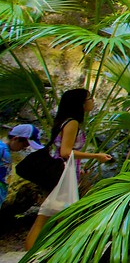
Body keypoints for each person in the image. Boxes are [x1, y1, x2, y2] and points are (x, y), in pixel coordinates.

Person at [25, 89, 113, 250]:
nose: (92, 101)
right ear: (80, 103)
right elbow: (65, 152)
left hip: (56, 172)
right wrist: (95, 156)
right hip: (63, 175)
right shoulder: (72, 123)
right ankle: (37, 256)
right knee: (51, 216)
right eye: (89, 98)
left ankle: (41, 254)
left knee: (51, 215)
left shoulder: (63, 120)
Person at [1, 125, 38, 208]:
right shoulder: (1, 150)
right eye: (24, 145)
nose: (24, 149)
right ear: (15, 139)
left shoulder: (4, 150)